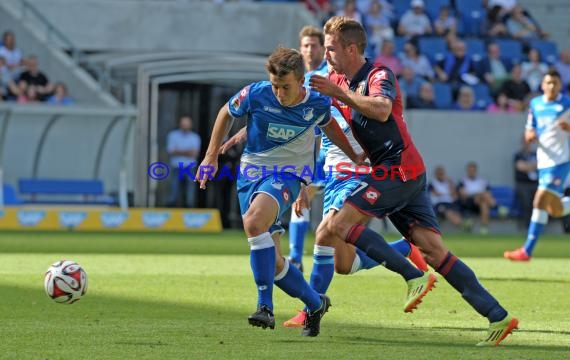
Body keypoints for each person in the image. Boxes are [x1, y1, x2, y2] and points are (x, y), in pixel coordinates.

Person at [308, 16, 518, 346]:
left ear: (351, 48)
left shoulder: (379, 75)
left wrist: (339, 93)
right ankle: (497, 315)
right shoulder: (333, 77)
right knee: (434, 251)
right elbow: (316, 111)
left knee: (339, 224)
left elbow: (381, 110)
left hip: (399, 169)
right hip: (396, 171)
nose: (326, 53)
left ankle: (412, 275)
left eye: (331, 48)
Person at [198, 46, 365, 337]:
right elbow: (226, 112)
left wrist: (353, 154)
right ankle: (315, 304)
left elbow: (329, 130)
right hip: (251, 174)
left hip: (287, 176)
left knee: (253, 222)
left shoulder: (316, 103)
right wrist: (211, 156)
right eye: (275, 86)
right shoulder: (255, 93)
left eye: (285, 87)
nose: (279, 93)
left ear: (301, 80)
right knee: (273, 262)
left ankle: (265, 307)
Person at [504, 70, 570, 261]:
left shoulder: (566, 103)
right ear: (542, 85)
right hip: (544, 160)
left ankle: (527, 250)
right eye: (548, 82)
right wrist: (529, 137)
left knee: (539, 199)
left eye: (555, 83)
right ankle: (526, 251)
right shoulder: (536, 104)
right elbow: (528, 132)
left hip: (561, 160)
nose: (551, 86)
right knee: (554, 209)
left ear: (560, 85)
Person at [166, 115, 201, 208]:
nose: (185, 126)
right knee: (174, 188)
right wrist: (187, 152)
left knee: (190, 190)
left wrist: (179, 151)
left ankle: (189, 207)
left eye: (187, 124)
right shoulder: (173, 135)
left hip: (190, 166)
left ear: (190, 125)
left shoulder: (195, 137)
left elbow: (194, 153)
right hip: (176, 166)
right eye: (183, 124)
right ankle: (172, 207)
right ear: (180, 124)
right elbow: (171, 151)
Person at [457, 161, 498, 235]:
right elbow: (463, 194)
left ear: (476, 171)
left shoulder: (482, 180)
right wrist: (478, 194)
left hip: (480, 202)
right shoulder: (463, 181)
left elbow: (489, 193)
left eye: (473, 170)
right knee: (483, 197)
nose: (472, 172)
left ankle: (484, 227)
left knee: (484, 204)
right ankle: (497, 207)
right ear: (467, 171)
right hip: (469, 202)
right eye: (470, 170)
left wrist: (479, 196)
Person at [428, 165, 471, 231]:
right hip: (439, 204)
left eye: (442, 173)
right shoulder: (432, 183)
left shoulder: (448, 183)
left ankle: (463, 224)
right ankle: (463, 225)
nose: (441, 175)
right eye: (439, 173)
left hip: (449, 203)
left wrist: (450, 183)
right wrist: (447, 193)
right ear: (436, 174)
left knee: (456, 211)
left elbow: (454, 195)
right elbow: (436, 193)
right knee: (448, 212)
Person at [513, 136, 538, 230]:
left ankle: (538, 226)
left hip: (536, 184)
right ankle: (528, 226)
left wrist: (528, 166)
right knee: (527, 203)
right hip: (523, 184)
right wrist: (532, 165)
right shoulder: (518, 155)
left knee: (540, 202)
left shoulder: (536, 154)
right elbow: (521, 167)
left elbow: (541, 164)